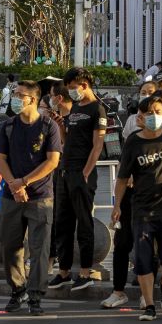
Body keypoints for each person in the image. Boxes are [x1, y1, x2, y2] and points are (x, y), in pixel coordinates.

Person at [112, 95, 162, 321]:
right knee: (142, 259)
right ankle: (149, 304)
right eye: (148, 113)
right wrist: (117, 204)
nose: (153, 116)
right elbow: (122, 178)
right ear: (141, 116)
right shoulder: (133, 142)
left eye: (158, 112)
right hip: (142, 210)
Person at [0, 81, 60, 315]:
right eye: (14, 94)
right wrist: (13, 184)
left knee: (40, 248)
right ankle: (17, 289)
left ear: (32, 99)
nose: (15, 98)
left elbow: (52, 161)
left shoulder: (49, 126)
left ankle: (35, 296)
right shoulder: (8, 126)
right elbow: (0, 158)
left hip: (40, 196)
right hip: (11, 196)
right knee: (10, 245)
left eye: (20, 95)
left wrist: (24, 182)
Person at [49, 67, 108, 291]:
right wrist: (61, 125)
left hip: (82, 173)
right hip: (65, 170)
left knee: (84, 222)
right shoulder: (73, 109)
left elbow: (98, 145)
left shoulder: (97, 109)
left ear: (84, 85)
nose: (71, 92)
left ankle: (85, 271)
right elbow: (66, 141)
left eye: (73, 88)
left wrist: (86, 171)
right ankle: (63, 271)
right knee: (62, 222)